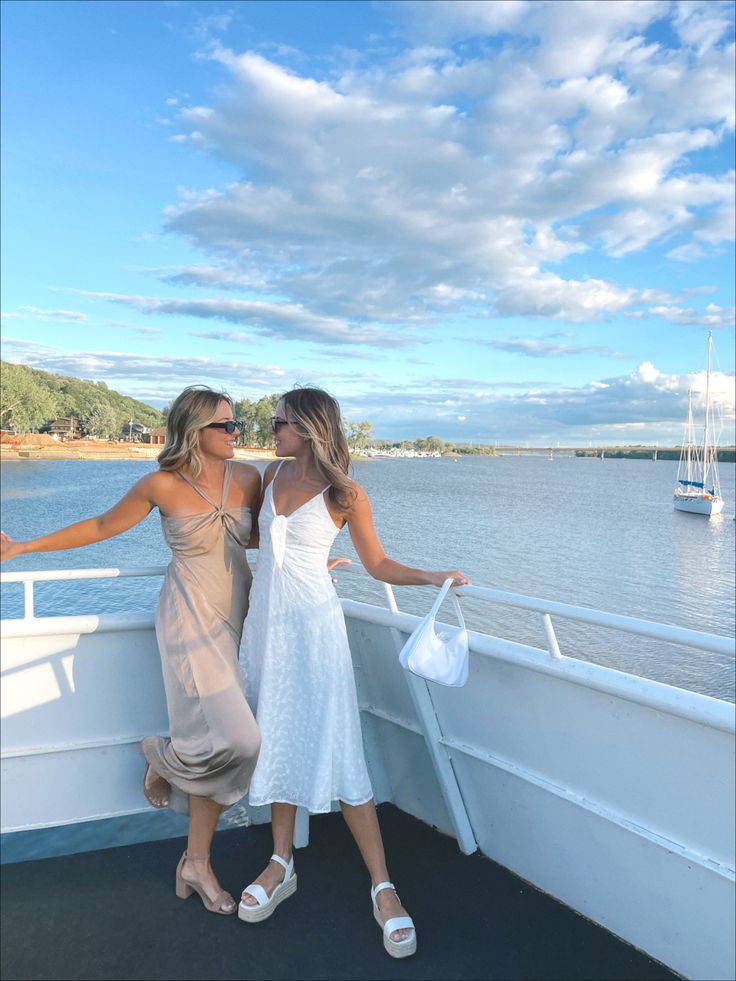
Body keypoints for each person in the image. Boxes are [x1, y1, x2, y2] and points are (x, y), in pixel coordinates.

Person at [0, 385, 262, 916]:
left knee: (214, 741)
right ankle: (161, 755)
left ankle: (195, 860)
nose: (239, 434)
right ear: (196, 431)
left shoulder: (250, 477)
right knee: (240, 739)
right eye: (228, 426)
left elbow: (263, 541)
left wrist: (308, 568)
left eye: (237, 425)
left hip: (238, 617)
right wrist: (21, 547)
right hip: (187, 621)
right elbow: (100, 526)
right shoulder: (161, 485)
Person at [237, 386, 469, 959]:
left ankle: (383, 887)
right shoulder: (270, 477)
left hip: (315, 635)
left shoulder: (346, 494)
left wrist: (432, 576)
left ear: (311, 426)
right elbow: (258, 539)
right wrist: (306, 557)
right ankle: (280, 863)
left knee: (340, 746)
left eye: (281, 422)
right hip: (267, 628)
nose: (272, 429)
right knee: (276, 738)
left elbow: (379, 564)